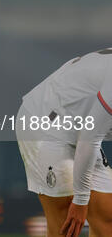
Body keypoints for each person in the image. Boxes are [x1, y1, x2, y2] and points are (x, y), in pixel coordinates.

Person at [17, 49, 112, 237]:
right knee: (67, 223)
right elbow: (89, 140)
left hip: (79, 125)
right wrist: (81, 200)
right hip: (46, 122)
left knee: (107, 217)